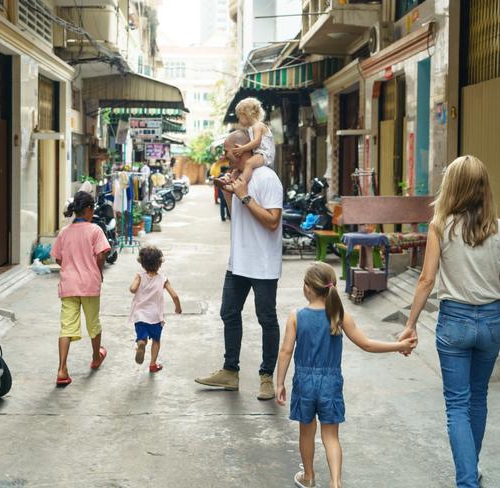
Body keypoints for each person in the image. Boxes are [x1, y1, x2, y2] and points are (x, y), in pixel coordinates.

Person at [399, 155, 500, 487]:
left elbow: (426, 280)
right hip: (491, 321)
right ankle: (471, 470)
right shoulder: (497, 229)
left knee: (457, 404)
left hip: (454, 321)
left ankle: (467, 480)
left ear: (452, 187)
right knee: (478, 396)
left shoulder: (441, 227)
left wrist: (410, 324)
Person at [276, 262, 416, 488]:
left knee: (306, 432)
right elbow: (367, 345)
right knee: (331, 436)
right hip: (330, 383)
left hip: (304, 382)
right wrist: (398, 345)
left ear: (308, 288)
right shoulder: (339, 316)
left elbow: (285, 351)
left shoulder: (296, 316)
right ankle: (335, 482)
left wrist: (279, 382)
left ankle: (309, 477)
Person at [195, 130, 283, 400]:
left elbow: (272, 221)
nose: (223, 155)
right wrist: (229, 193)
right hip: (239, 262)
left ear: (239, 149)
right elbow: (239, 218)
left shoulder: (268, 178)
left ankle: (267, 376)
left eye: (226, 150)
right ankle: (230, 371)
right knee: (229, 312)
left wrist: (245, 195)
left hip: (264, 265)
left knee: (266, 319)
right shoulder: (238, 177)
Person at [50, 191, 111, 386]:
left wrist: (70, 268)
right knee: (93, 323)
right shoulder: (95, 230)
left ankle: (61, 369)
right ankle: (95, 357)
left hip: (69, 285)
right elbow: (102, 255)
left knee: (66, 326)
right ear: (88, 209)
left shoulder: (64, 232)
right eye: (92, 209)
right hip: (90, 284)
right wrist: (96, 270)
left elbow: (58, 258)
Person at [129, 246, 182, 372]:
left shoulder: (139, 276)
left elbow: (132, 289)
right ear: (159, 264)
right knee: (156, 340)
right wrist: (178, 308)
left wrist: (136, 285)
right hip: (155, 317)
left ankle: (141, 343)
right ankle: (152, 364)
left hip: (140, 315)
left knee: (142, 337)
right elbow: (174, 295)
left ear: (142, 263)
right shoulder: (163, 279)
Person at [224, 97, 275, 191]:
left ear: (246, 114)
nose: (239, 121)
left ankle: (239, 185)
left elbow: (257, 142)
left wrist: (243, 148)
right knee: (239, 168)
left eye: (239, 117)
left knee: (248, 163)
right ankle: (232, 179)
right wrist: (243, 147)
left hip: (264, 154)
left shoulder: (258, 126)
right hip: (259, 153)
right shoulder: (253, 128)